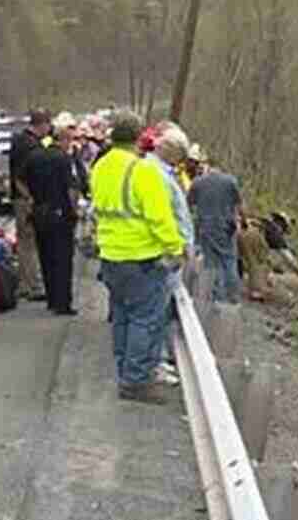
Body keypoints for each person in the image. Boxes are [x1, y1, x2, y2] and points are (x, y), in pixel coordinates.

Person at [90, 111, 185, 404]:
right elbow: (160, 218)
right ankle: (136, 381)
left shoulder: (100, 167)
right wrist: (176, 248)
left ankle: (125, 372)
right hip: (141, 258)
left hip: (111, 257)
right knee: (145, 320)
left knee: (122, 316)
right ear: (139, 138)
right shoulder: (142, 172)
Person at [148, 123, 195, 381]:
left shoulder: (163, 172)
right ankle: (153, 361)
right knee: (156, 309)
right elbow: (164, 216)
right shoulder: (157, 175)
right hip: (165, 253)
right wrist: (178, 247)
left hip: (169, 251)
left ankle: (159, 356)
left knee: (162, 308)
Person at [22, 124, 80, 316]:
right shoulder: (64, 159)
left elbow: (18, 180)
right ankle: (63, 303)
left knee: (45, 256)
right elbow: (71, 188)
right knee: (63, 259)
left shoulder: (35, 156)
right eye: (69, 141)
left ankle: (52, 299)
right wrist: (74, 210)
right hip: (60, 213)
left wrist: (30, 197)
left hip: (39, 212)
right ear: (63, 140)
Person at [9, 109, 51, 300]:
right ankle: (35, 286)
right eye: (47, 126)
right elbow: (23, 177)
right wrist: (31, 198)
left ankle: (25, 284)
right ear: (41, 125)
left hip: (19, 197)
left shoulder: (18, 141)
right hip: (27, 199)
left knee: (24, 243)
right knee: (31, 243)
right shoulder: (31, 146)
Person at [188, 158, 242, 303]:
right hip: (227, 227)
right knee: (229, 261)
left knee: (211, 263)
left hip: (206, 227)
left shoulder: (198, 182)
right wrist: (240, 221)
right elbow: (239, 204)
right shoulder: (231, 181)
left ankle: (217, 297)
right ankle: (233, 295)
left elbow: (189, 204)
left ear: (208, 166)